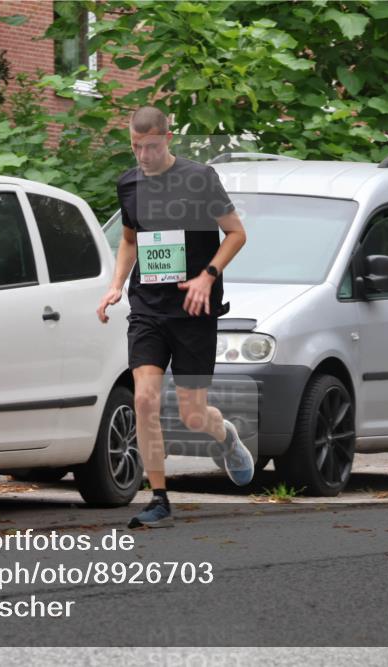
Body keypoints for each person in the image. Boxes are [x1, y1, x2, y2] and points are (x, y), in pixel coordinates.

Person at [96, 106, 252, 529]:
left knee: (192, 416)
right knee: (144, 399)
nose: (143, 156)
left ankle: (226, 436)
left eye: (151, 146)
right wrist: (116, 284)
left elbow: (236, 233)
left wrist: (208, 275)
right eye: (135, 147)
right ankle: (159, 497)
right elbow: (129, 239)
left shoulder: (199, 178)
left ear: (167, 138)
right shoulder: (128, 184)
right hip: (148, 306)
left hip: (193, 309)